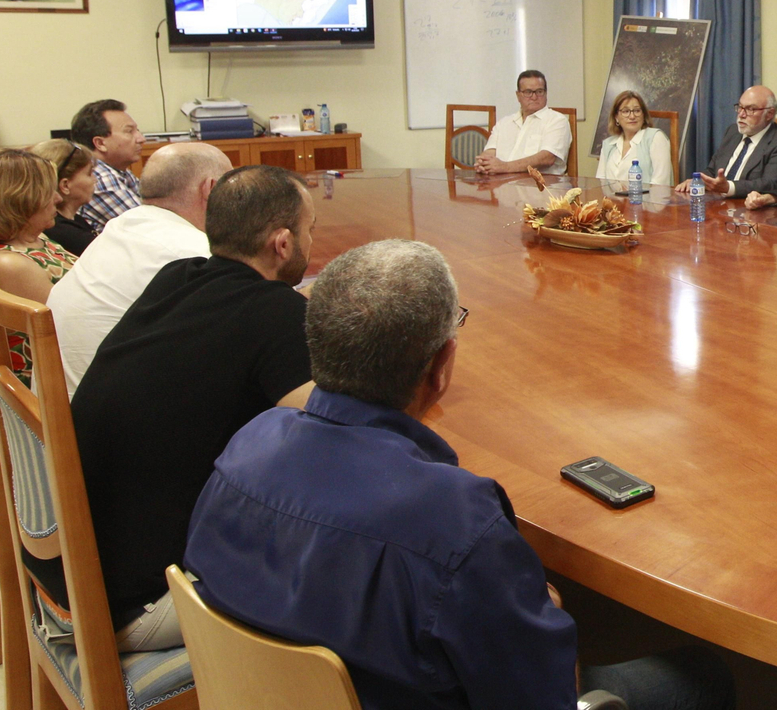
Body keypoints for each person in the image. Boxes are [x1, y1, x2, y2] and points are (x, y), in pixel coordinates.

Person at [184, 239, 735, 710]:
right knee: (704, 675)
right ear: (442, 366)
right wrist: (549, 609)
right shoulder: (455, 521)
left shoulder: (244, 448)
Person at [44, 165, 316, 651]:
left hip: (66, 575)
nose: (310, 241)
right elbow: (336, 433)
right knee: (353, 568)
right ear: (282, 243)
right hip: (141, 603)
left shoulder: (177, 277)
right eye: (309, 231)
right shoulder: (273, 313)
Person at [47, 142, 232, 396]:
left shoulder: (120, 226)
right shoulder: (193, 253)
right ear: (210, 189)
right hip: (101, 422)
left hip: (60, 411)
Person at [0, 148, 77, 383]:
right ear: (21, 199)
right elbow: (72, 327)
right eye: (49, 191)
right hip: (48, 384)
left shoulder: (35, 239)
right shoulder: (5, 263)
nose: (58, 198)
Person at [676, 85, 777, 199]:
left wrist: (729, 187)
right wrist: (698, 181)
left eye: (750, 109)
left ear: (769, 114)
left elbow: (770, 184)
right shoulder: (733, 132)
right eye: (740, 107)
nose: (741, 114)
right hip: (718, 208)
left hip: (756, 214)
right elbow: (713, 171)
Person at [476, 70, 573, 176]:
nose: (534, 97)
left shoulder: (557, 120)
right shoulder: (504, 123)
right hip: (501, 185)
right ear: (518, 95)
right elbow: (489, 152)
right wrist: (484, 163)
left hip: (540, 187)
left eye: (539, 91)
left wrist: (504, 167)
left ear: (546, 93)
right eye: (528, 92)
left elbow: (547, 158)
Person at [71, 98, 147, 232]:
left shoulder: (119, 170)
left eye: (138, 130)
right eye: (129, 132)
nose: (141, 139)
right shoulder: (100, 177)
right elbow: (150, 227)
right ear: (100, 143)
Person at [29, 139, 98, 256]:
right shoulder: (62, 232)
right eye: (89, 173)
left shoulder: (75, 220)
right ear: (65, 185)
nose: (95, 179)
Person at [595, 89, 674, 186]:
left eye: (637, 111)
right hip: (612, 200)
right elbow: (601, 183)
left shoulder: (656, 138)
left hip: (647, 200)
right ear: (616, 117)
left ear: (643, 114)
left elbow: (661, 184)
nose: (632, 116)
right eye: (626, 111)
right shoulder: (608, 144)